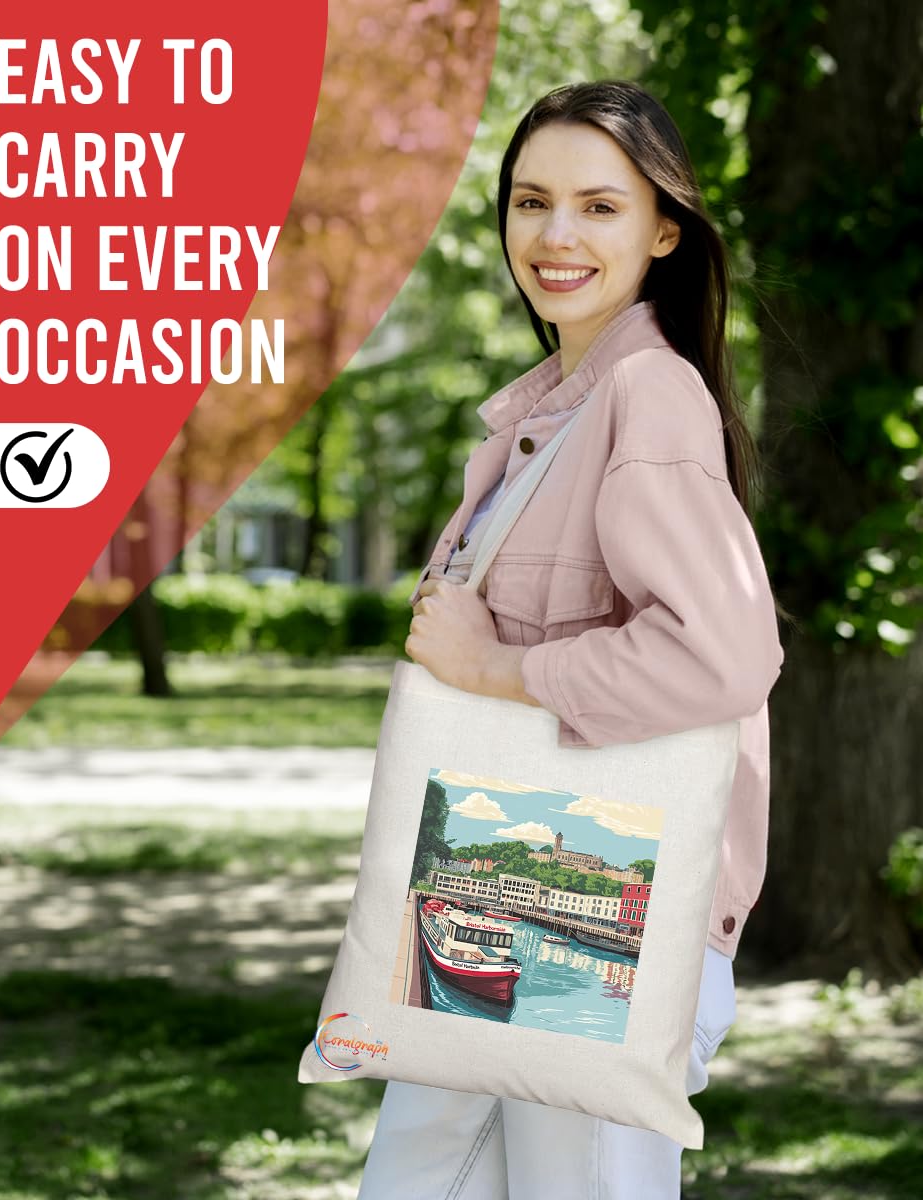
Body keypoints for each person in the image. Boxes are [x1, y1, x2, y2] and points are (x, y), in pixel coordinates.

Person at [356, 79, 784, 1200]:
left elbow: (721, 659)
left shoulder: (648, 398)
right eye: (530, 201)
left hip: (608, 924)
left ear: (662, 229)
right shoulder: (551, 414)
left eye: (598, 207)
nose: (554, 236)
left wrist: (494, 668)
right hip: (506, 906)